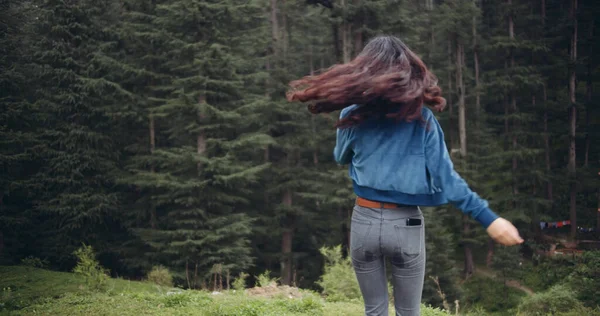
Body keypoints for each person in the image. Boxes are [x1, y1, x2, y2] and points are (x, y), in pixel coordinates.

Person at [287, 35, 523, 316]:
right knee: (408, 312)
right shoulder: (423, 119)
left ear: (364, 71)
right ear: (409, 71)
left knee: (374, 311)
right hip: (407, 224)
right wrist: (490, 219)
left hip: (364, 221)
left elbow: (340, 157)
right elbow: (447, 179)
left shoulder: (352, 114)